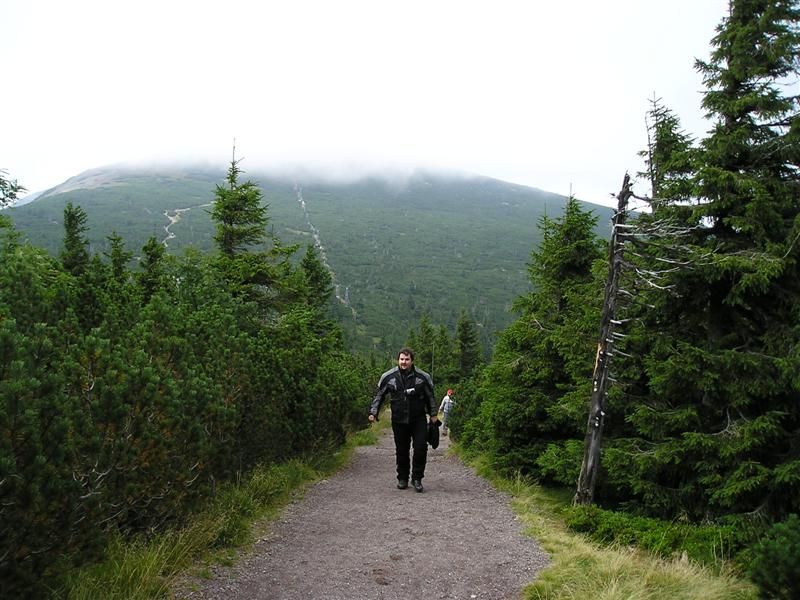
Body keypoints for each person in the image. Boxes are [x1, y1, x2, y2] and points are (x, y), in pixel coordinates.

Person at [368, 348, 438, 493]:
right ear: (397, 360)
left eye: (407, 359)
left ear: (412, 361)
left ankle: (417, 478)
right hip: (399, 420)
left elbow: (430, 397)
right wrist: (373, 412)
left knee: (420, 448)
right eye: (401, 359)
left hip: (418, 419)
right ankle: (403, 478)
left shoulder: (422, 377)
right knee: (402, 450)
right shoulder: (388, 377)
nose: (404, 362)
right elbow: (379, 396)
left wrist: (433, 414)